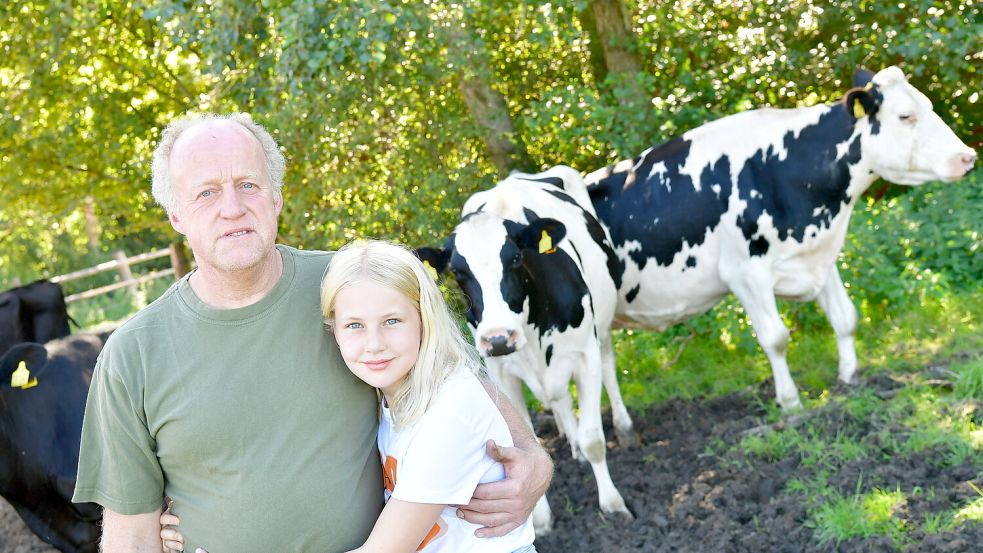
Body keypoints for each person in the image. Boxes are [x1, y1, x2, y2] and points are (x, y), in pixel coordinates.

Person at [72, 113, 552, 553]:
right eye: (206, 193)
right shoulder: (132, 354)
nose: (233, 207)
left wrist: (531, 458)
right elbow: (130, 535)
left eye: (248, 184)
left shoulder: (349, 290)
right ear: (176, 215)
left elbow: (452, 376)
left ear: (276, 197)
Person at [161, 239, 537, 552]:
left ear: (424, 318)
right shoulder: (387, 395)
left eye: (392, 321)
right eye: (355, 325)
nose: (374, 345)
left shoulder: (448, 410)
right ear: (334, 330)